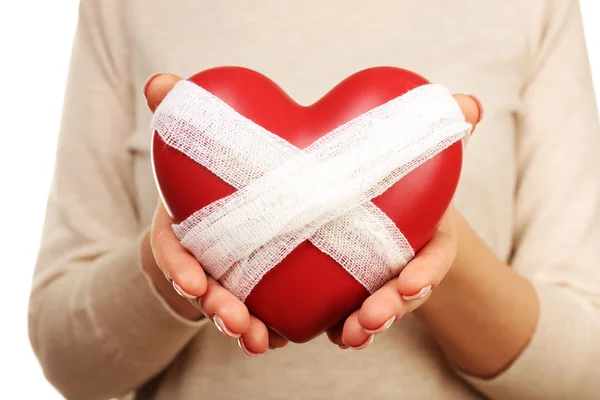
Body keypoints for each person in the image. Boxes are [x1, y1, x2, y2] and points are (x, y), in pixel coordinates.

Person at [28, 0, 600, 399]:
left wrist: (432, 256)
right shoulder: (126, 4)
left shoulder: (532, 5)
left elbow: (586, 374)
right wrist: (178, 260)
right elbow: (69, 365)